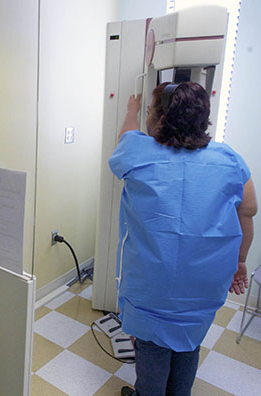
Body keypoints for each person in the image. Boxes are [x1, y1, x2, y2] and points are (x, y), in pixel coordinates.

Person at [110, 82, 257, 396]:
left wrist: (131, 110)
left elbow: (124, 136)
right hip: (202, 287)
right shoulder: (229, 159)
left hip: (152, 288)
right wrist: (240, 260)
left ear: (160, 119)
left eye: (150, 111)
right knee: (189, 344)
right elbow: (248, 210)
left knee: (151, 348)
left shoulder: (136, 149)